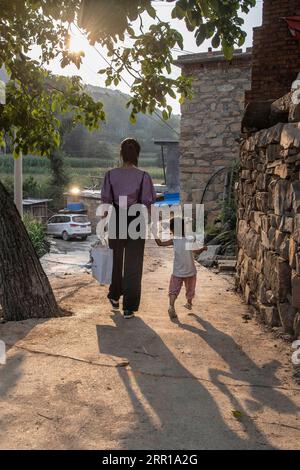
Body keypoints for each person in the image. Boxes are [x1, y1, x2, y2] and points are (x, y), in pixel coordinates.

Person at [101, 138, 156, 319]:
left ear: (121, 154)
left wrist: (104, 223)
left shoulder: (110, 175)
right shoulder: (143, 176)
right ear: (137, 154)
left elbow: (106, 203)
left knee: (116, 260)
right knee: (133, 263)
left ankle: (114, 296)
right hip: (136, 218)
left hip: (116, 217)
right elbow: (148, 202)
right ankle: (129, 308)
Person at [155, 217, 207, 320]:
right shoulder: (189, 239)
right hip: (190, 271)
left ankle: (171, 306)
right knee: (190, 289)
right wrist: (203, 248)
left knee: (174, 290)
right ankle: (189, 303)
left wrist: (154, 233)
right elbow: (196, 252)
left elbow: (160, 243)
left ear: (172, 229)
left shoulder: (174, 240)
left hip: (177, 272)